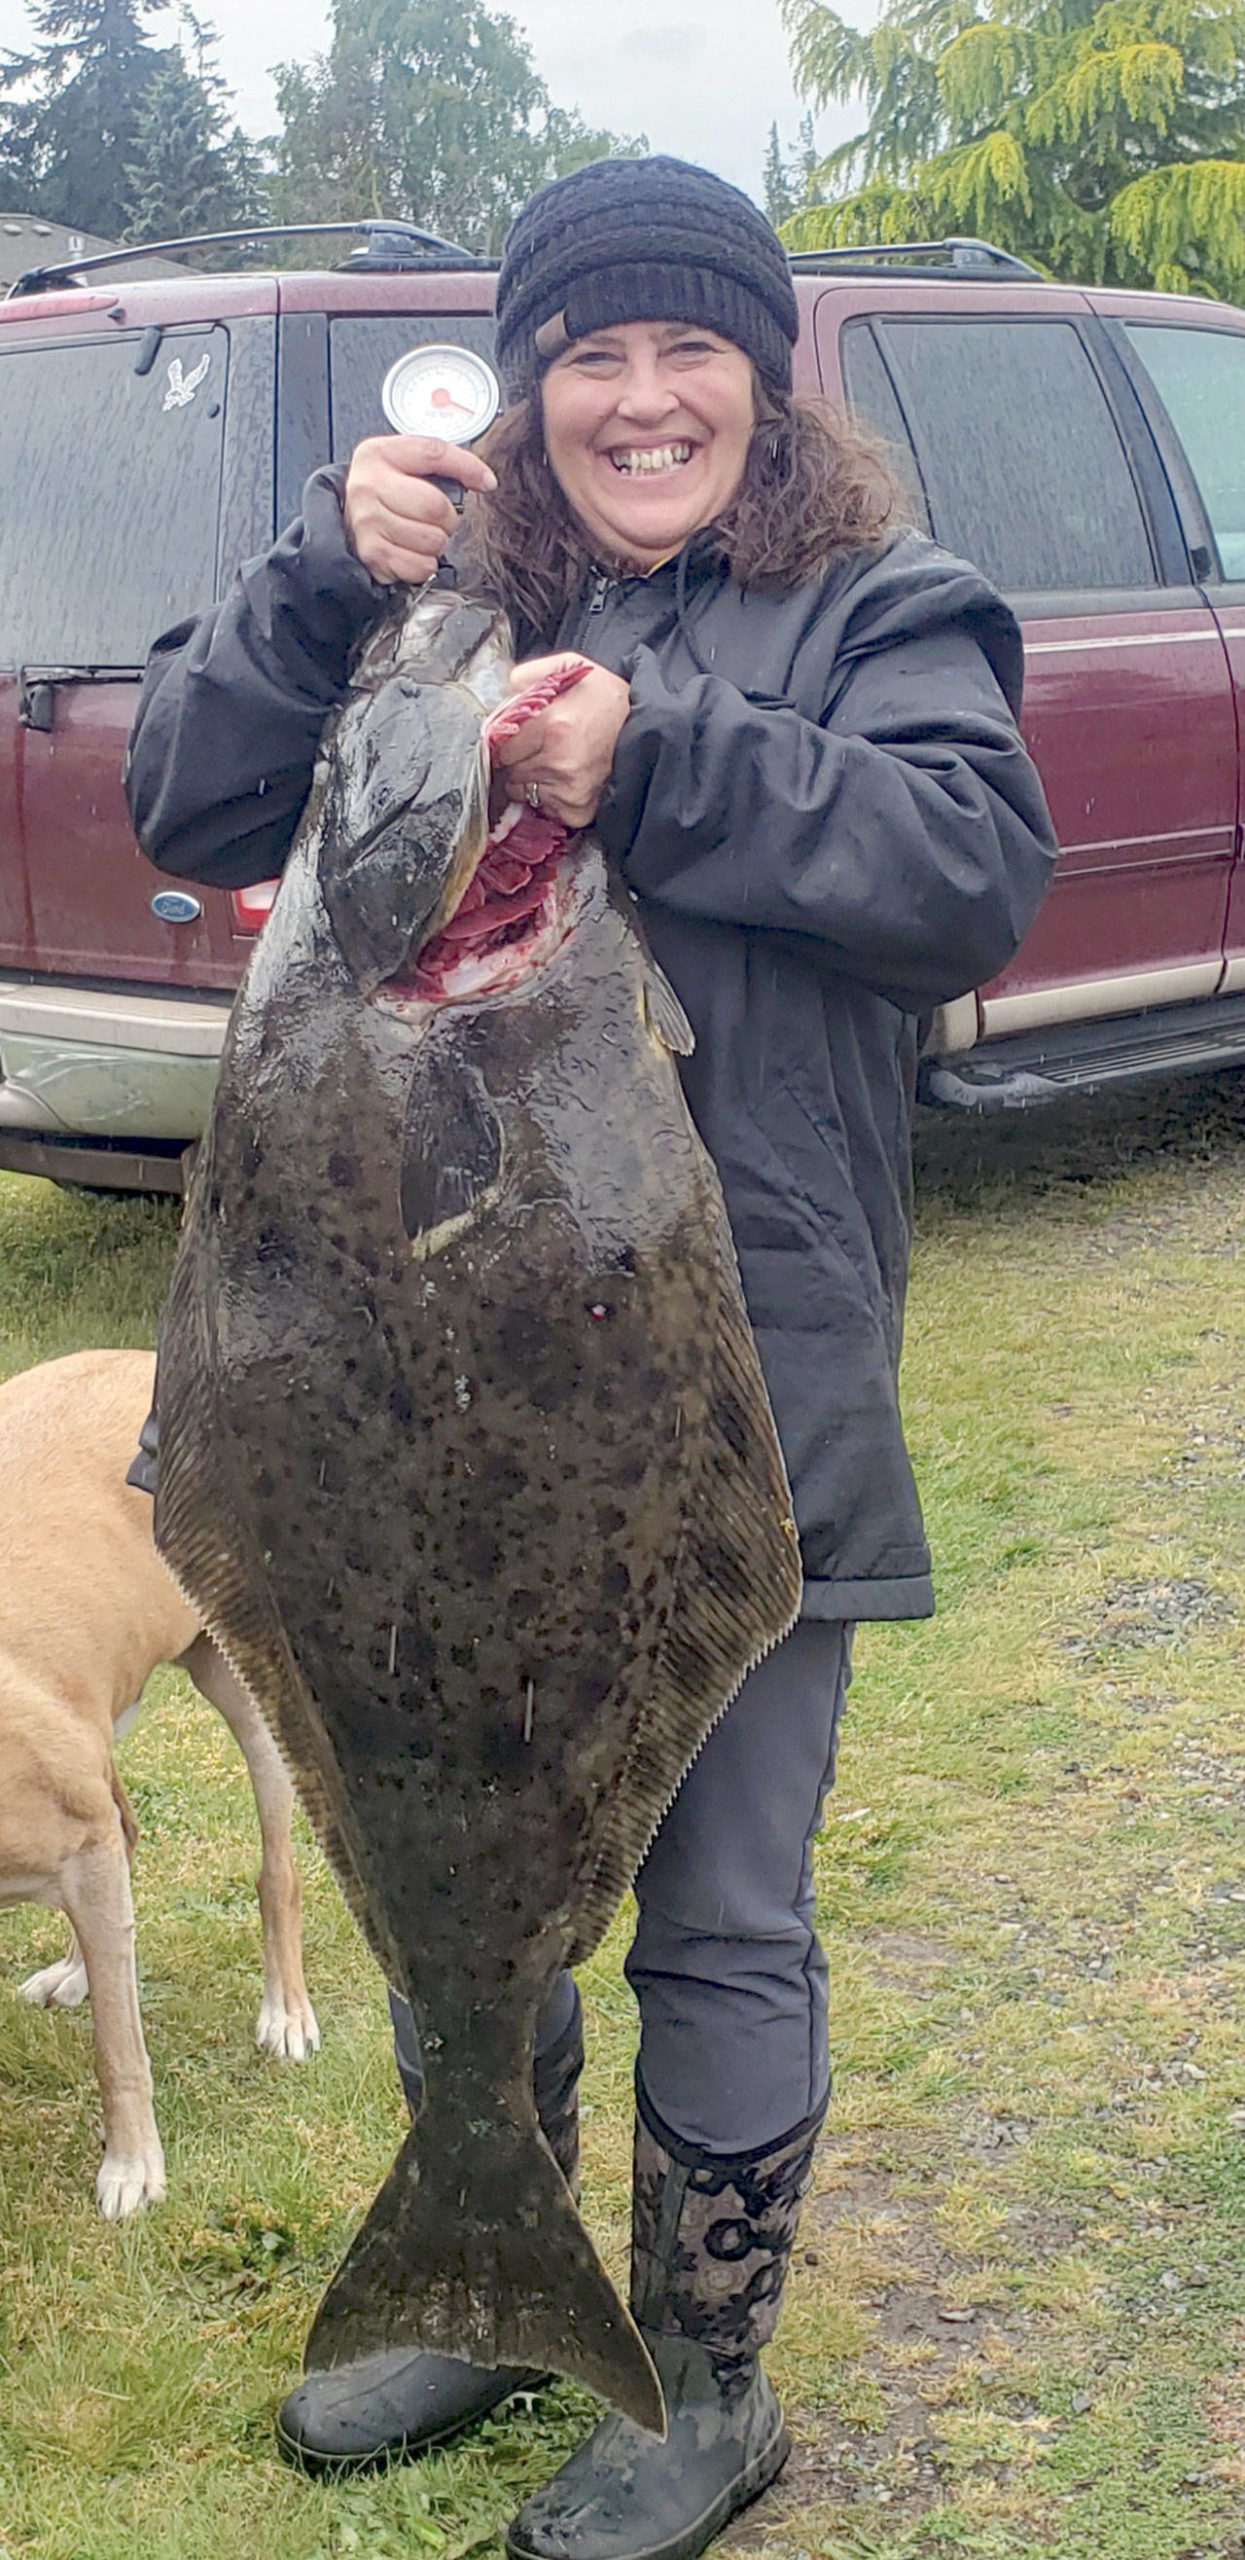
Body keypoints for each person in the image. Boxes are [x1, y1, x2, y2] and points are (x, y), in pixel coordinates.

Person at [125, 155, 1056, 2560]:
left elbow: (962, 872)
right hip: (378, 1388)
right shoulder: (427, 604)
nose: (638, 398)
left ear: (763, 382)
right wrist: (327, 576)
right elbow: (190, 794)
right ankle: (486, 2247)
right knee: (450, 1859)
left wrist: (647, 760)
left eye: (687, 355)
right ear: (529, 393)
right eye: (588, 357)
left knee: (718, 1909)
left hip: (729, 1398)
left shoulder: (879, 608)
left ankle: (706, 2373)